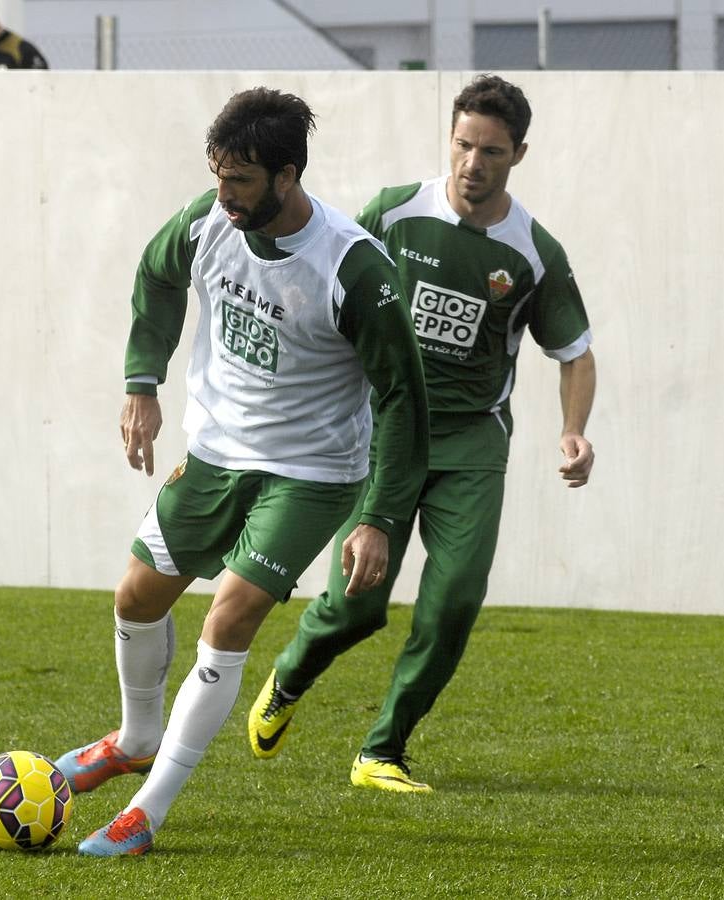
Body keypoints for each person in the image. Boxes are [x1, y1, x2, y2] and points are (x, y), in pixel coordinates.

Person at [54, 87, 429, 857]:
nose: (223, 196)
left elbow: (403, 399)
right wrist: (140, 383)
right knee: (137, 593)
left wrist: (380, 518)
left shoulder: (354, 267)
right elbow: (157, 275)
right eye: (218, 176)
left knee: (227, 618)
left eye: (242, 182)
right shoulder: (206, 222)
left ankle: (146, 814)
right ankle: (135, 738)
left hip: (310, 474)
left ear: (287, 176)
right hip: (217, 454)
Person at [247, 74, 597, 793]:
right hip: (382, 434)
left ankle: (383, 750)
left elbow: (576, 354)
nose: (474, 163)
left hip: (472, 444)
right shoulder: (393, 213)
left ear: (518, 154)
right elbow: (327, 285)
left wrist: (573, 432)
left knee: (457, 598)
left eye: (492, 151)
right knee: (357, 605)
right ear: (451, 139)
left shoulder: (533, 253)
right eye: (464, 145)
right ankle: (289, 676)